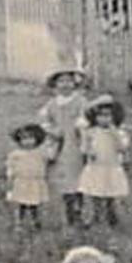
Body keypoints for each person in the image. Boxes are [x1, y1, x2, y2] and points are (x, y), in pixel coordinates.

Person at [37, 68, 90, 227]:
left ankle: (79, 212)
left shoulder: (81, 101)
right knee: (64, 181)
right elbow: (45, 121)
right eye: (61, 81)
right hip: (59, 145)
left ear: (75, 83)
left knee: (79, 179)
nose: (65, 85)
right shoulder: (52, 104)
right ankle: (69, 214)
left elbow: (87, 119)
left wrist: (82, 127)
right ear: (55, 85)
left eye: (69, 81)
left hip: (76, 143)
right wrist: (51, 130)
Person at [77, 94, 130, 228]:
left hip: (111, 166)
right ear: (95, 118)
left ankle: (111, 216)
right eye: (100, 116)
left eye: (108, 116)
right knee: (96, 192)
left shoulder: (119, 132)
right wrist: (89, 150)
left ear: (114, 117)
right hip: (96, 166)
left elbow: (122, 148)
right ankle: (95, 216)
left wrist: (114, 133)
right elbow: (84, 149)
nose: (104, 119)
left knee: (110, 193)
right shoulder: (92, 132)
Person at [5, 123, 51, 230]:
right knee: (21, 204)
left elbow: (49, 158)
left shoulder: (40, 153)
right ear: (19, 140)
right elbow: (11, 168)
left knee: (34, 204)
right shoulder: (15, 154)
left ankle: (36, 222)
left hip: (35, 181)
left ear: (37, 139)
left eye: (31, 138)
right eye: (24, 138)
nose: (27, 141)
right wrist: (10, 181)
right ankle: (19, 223)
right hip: (21, 181)